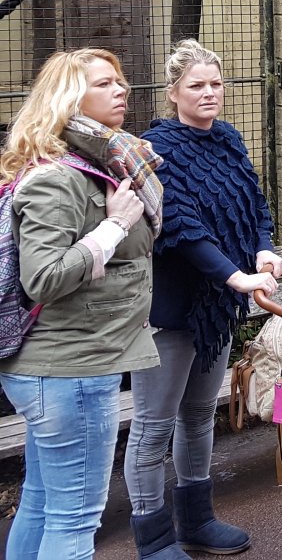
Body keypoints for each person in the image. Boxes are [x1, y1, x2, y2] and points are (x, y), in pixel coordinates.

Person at [122, 40, 282, 559]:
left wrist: (262, 251)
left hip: (216, 312)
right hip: (170, 313)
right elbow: (184, 228)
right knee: (152, 425)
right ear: (173, 93)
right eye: (197, 85)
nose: (209, 93)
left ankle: (198, 520)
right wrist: (235, 277)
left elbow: (255, 203)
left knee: (197, 415)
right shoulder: (157, 148)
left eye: (216, 84)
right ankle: (154, 540)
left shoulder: (229, 140)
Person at [0, 49, 161, 560]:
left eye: (121, 80)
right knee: (75, 520)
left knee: (43, 501)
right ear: (70, 98)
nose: (122, 90)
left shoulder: (94, 164)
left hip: (69, 363)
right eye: (105, 83)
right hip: (70, 367)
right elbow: (44, 278)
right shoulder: (57, 176)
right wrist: (113, 227)